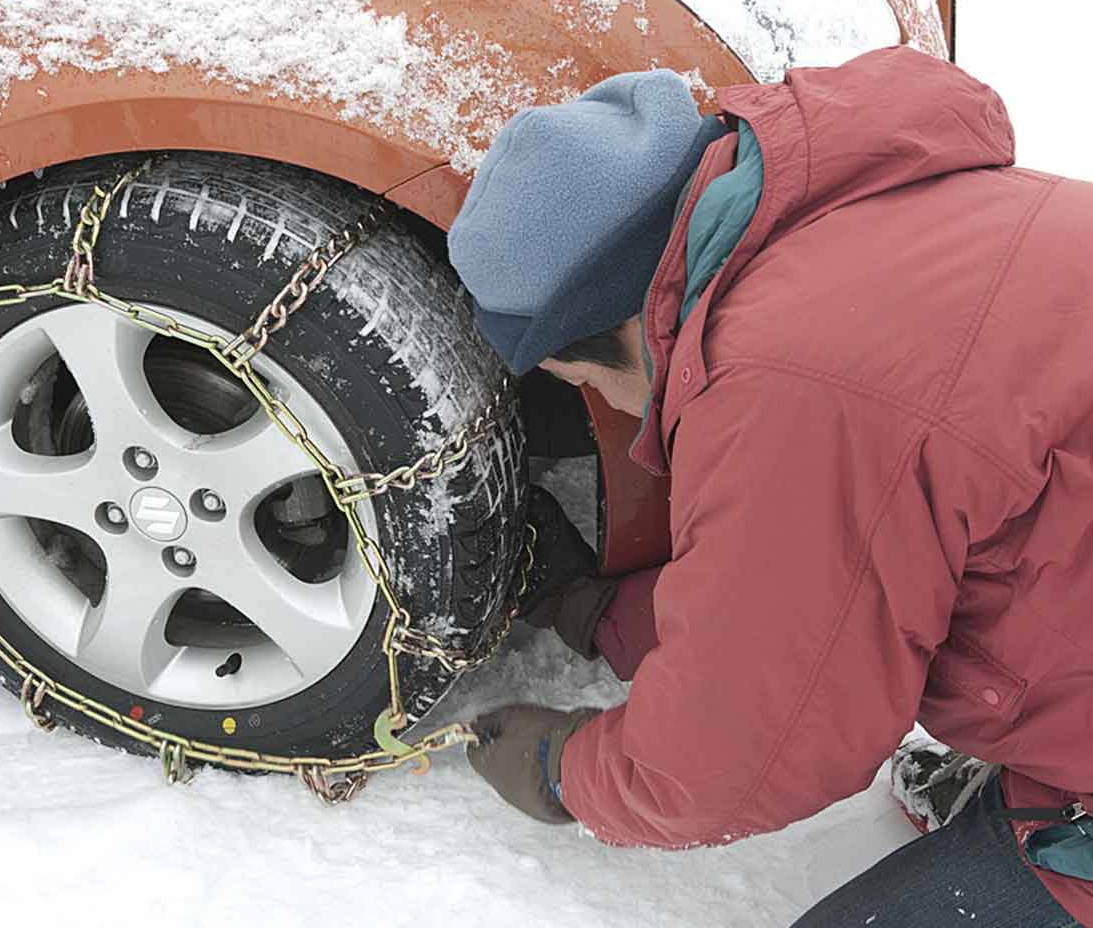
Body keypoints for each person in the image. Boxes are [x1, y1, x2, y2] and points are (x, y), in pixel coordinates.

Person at [448, 46, 1091, 927]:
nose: (612, 409)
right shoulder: (882, 211)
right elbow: (825, 582)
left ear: (599, 335)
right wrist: (602, 615)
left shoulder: (785, 381)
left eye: (589, 387)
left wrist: (565, 770)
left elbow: (740, 757)